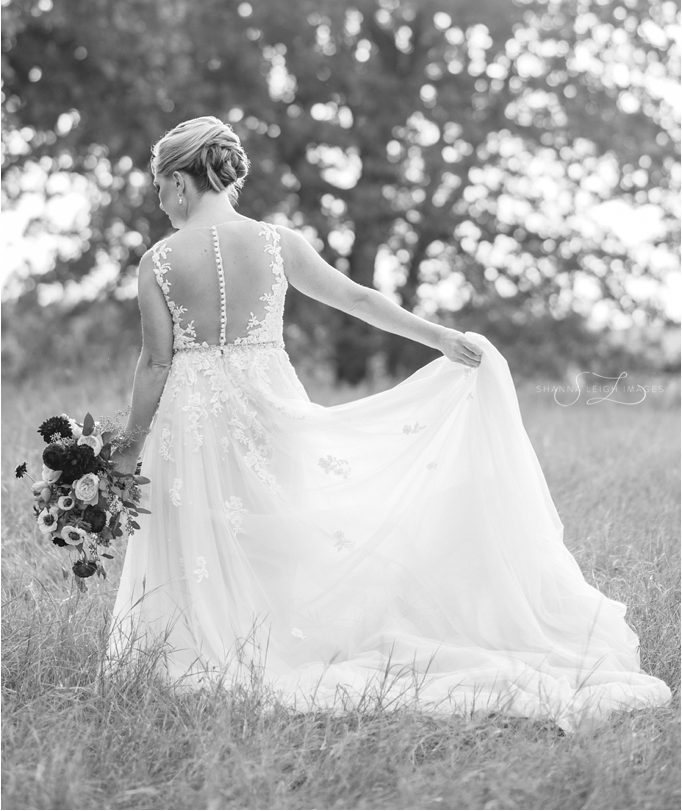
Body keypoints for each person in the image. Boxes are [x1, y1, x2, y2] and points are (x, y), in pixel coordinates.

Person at [108, 116, 671, 732]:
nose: (162, 203)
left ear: (181, 183)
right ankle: (273, 643)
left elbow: (157, 362)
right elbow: (358, 299)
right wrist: (440, 338)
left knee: (200, 536)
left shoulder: (158, 262)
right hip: (269, 410)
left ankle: (206, 653)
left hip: (193, 422)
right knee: (277, 532)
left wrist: (125, 449)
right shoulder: (277, 244)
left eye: (161, 188)